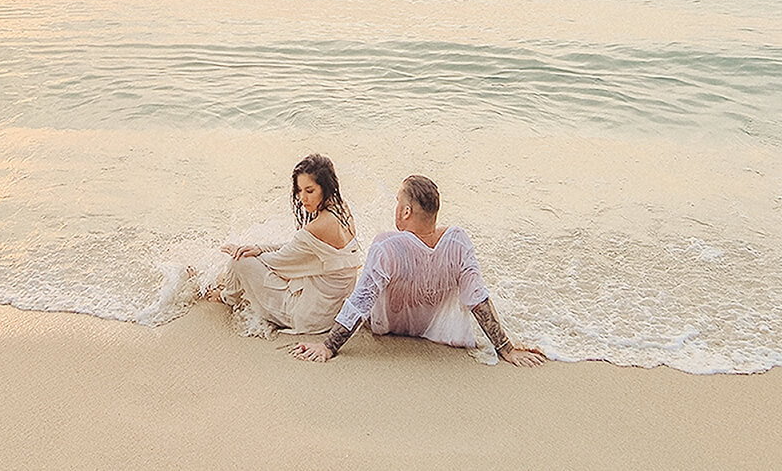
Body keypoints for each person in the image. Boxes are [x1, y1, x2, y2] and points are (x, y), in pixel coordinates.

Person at [291, 174, 544, 365]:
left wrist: (328, 347)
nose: (396, 207)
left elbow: (362, 300)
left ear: (406, 211)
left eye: (398, 202)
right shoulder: (458, 240)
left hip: (387, 329)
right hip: (433, 332)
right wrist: (506, 349)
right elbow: (477, 298)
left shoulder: (387, 245)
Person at [206, 153, 363, 335]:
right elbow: (299, 248)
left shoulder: (317, 227)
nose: (302, 198)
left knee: (238, 260)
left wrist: (245, 251)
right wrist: (259, 248)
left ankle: (226, 297)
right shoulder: (342, 210)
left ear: (325, 187)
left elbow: (275, 263)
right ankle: (228, 289)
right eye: (299, 190)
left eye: (309, 191)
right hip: (333, 312)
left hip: (309, 318)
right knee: (252, 256)